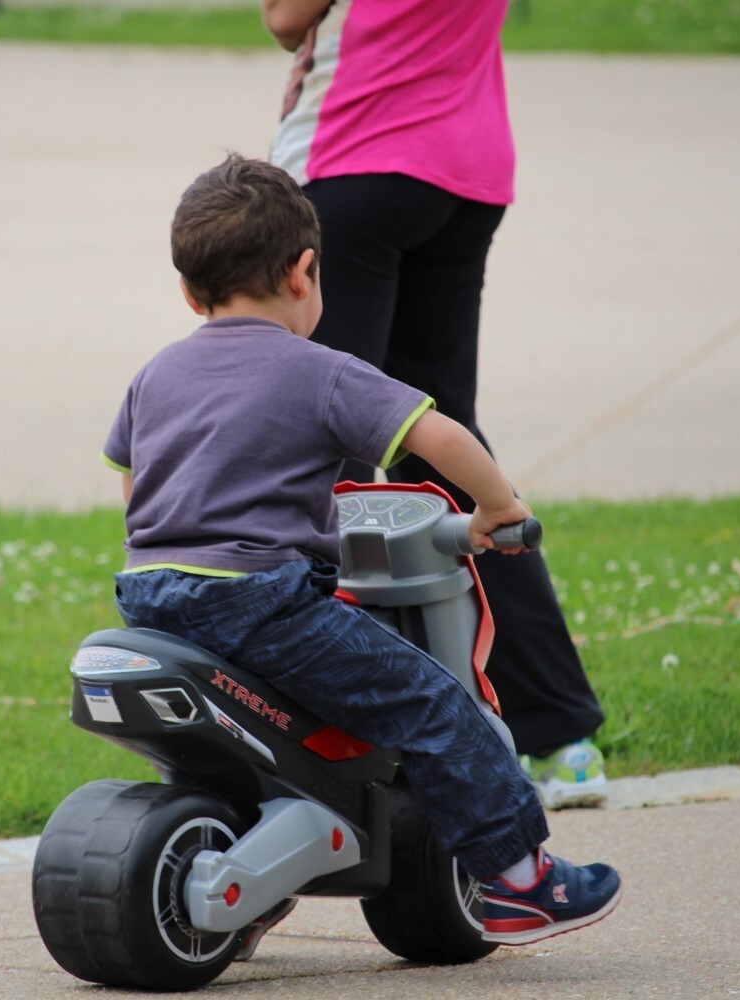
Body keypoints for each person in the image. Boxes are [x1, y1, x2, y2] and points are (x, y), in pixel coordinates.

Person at [101, 155, 621, 959]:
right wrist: (498, 508)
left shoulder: (156, 373)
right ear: (303, 272)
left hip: (148, 594)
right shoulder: (319, 372)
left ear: (189, 291)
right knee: (431, 702)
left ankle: (255, 869)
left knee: (271, 728)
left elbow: (134, 483)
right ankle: (520, 880)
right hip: (258, 601)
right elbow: (437, 433)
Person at [263, 0, 609, 809]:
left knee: (322, 443)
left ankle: (303, 735)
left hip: (358, 152)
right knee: (443, 444)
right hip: (465, 167)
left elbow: (285, 17)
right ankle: (560, 736)